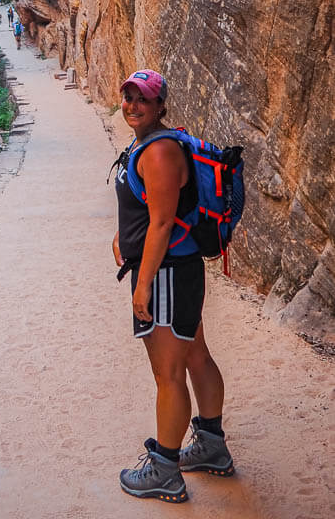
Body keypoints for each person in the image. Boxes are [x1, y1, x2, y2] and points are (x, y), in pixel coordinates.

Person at [112, 69, 232, 503]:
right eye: (127, 97)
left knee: (167, 374)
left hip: (165, 276)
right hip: (177, 273)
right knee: (196, 356)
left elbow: (162, 222)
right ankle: (212, 447)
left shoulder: (160, 151)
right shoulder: (149, 143)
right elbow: (149, 209)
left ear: (161, 104)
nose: (132, 105)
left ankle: (164, 469)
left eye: (142, 98)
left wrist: (142, 285)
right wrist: (121, 239)